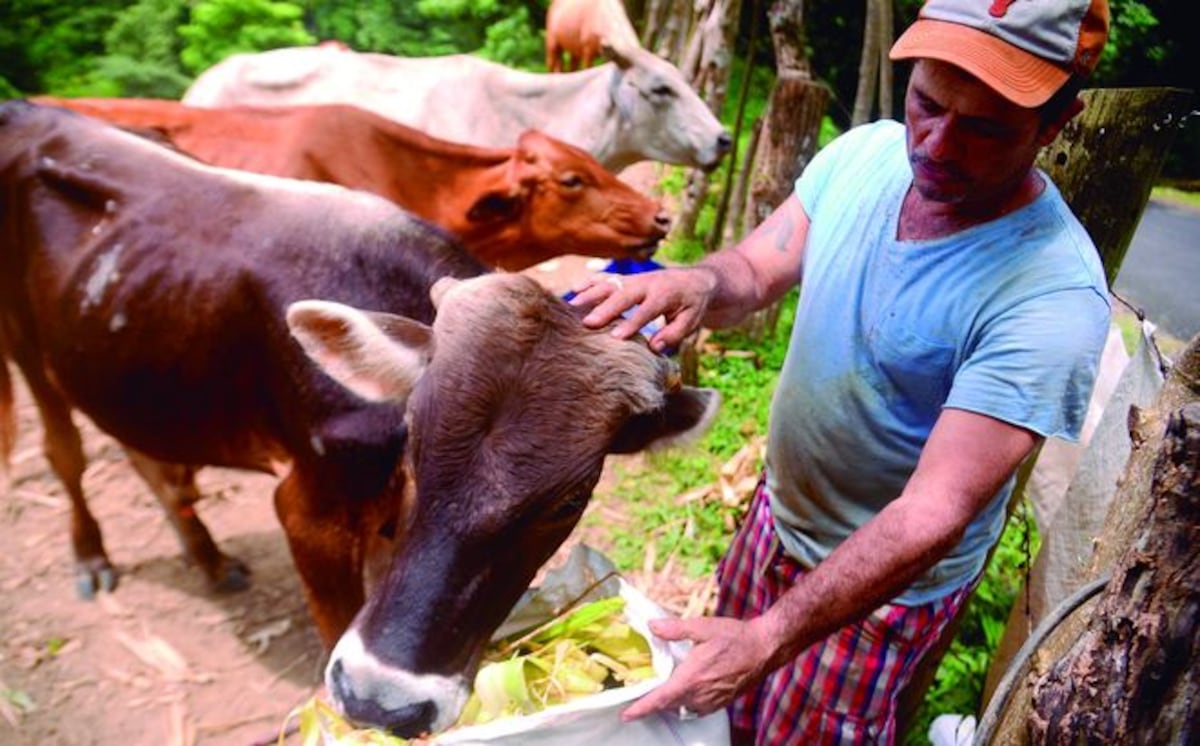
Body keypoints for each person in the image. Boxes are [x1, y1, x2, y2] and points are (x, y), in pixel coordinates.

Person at [568, 0, 1112, 742]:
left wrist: (770, 636)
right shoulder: (865, 155)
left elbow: (935, 512)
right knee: (722, 716)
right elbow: (757, 268)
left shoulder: (1049, 295)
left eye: (983, 127)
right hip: (777, 519)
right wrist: (697, 282)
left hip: (881, 596)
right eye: (926, 103)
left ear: (1056, 123)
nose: (937, 145)